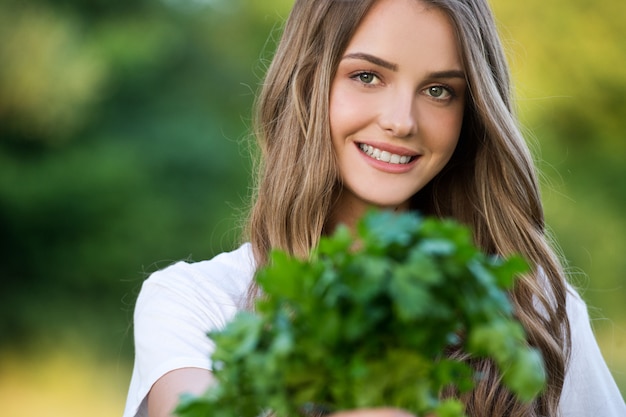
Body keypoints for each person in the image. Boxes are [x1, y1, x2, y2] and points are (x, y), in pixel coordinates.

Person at [122, 0, 626, 416]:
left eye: (439, 91)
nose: (401, 120)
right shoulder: (194, 302)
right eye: (367, 76)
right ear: (307, 83)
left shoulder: (533, 310)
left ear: (470, 113)